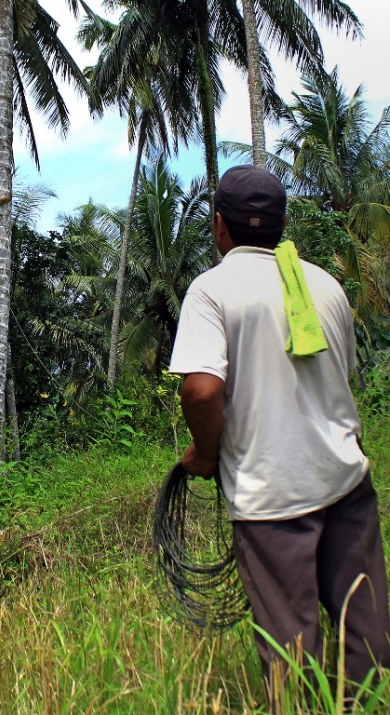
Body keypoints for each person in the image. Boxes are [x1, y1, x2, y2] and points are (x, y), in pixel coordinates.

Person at [169, 164, 390, 699]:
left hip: (272, 502)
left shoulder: (211, 291)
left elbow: (200, 390)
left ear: (219, 226)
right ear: (282, 223)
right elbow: (339, 383)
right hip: (345, 483)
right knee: (370, 640)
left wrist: (206, 451)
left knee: (291, 655)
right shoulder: (324, 284)